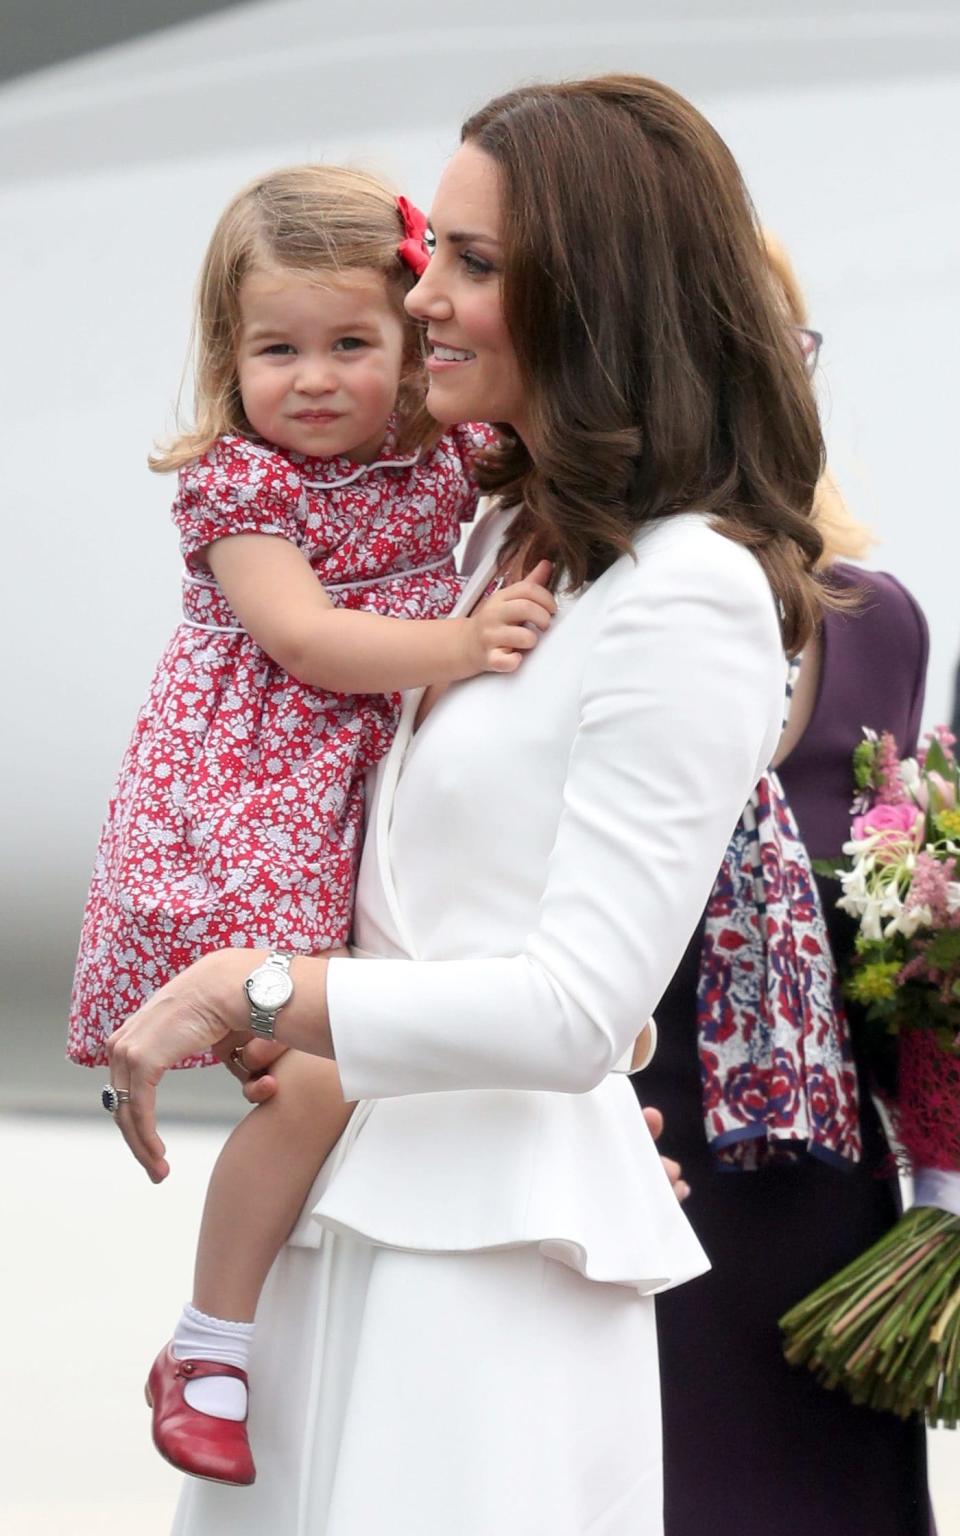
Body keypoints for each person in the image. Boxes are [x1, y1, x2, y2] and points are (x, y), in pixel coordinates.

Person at [105, 76, 828, 1535]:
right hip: (349, 1211)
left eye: (473, 264)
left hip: (487, 1262)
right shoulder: (501, 532)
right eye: (439, 251)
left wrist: (253, 989)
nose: (421, 292)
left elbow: (575, 1007)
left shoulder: (690, 592)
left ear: (597, 295)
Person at [67, 164, 556, 1480]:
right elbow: (304, 637)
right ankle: (209, 1342)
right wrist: (463, 645)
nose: (318, 378)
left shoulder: (454, 457)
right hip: (240, 820)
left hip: (354, 808)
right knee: (314, 1072)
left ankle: (319, 1339)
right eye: (277, 349)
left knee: (372, 1069)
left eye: (352, 343)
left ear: (414, 340)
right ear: (229, 358)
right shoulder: (241, 489)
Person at [635, 234, 932, 1536]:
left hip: (829, 1242)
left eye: (778, 353)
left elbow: (898, 934)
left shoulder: (879, 626)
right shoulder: (557, 613)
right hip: (631, 1198)